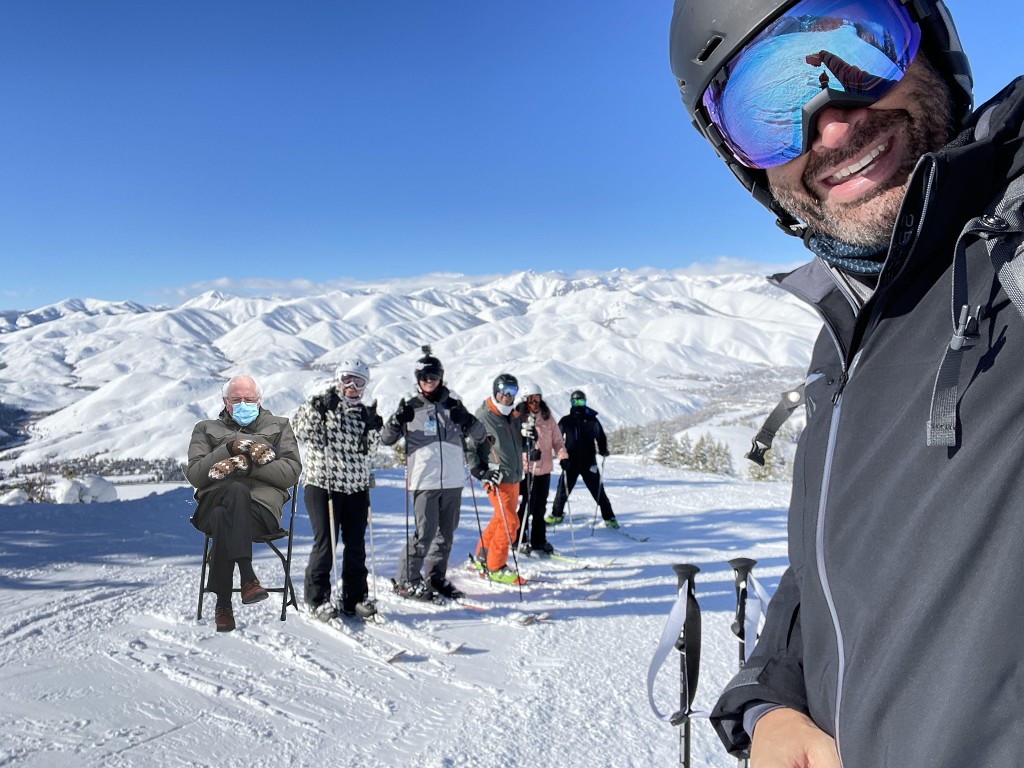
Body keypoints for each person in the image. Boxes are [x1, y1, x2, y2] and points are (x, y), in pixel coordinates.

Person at [670, 0, 1024, 765]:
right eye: (767, 112)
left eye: (858, 53)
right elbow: (831, 566)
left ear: (930, 38)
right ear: (744, 163)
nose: (830, 128)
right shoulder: (844, 338)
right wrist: (770, 702)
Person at [186, 375, 302, 633]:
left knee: (223, 515)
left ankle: (223, 604)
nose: (243, 404)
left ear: (259, 400)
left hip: (259, 512)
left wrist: (247, 465)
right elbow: (196, 475)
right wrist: (229, 449)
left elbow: (290, 473)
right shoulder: (205, 429)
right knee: (231, 495)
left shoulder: (279, 426)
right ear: (225, 401)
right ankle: (247, 576)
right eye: (236, 400)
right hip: (211, 504)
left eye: (249, 399)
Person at [382, 346, 487, 602]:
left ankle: (435, 577)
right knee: (424, 534)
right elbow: (386, 439)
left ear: (441, 377)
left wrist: (467, 420)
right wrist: (397, 420)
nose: (430, 381)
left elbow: (480, 435)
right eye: (425, 377)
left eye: (434, 377)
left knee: (446, 534)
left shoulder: (453, 405)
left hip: (453, 480)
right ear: (418, 379)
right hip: (424, 481)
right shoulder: (411, 407)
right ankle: (407, 580)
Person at [291, 360, 383, 621]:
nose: (352, 386)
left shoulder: (363, 414)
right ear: (338, 380)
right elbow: (299, 433)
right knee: (326, 543)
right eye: (347, 380)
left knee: (356, 545)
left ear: (365, 386)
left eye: (359, 382)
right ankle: (317, 598)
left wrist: (374, 427)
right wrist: (316, 409)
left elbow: (370, 452)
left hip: (356, 487)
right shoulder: (322, 405)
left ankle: (354, 597)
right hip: (323, 484)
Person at [467, 373, 530, 584]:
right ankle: (495, 566)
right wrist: (479, 471)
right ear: (495, 391)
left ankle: (482, 556)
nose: (507, 395)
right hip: (496, 478)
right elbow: (469, 447)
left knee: (500, 519)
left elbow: (518, 444)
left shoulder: (513, 416)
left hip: (514, 477)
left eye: (512, 391)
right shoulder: (483, 417)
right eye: (503, 390)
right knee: (510, 522)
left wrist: (530, 442)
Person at [546, 390, 616, 528]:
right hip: (570, 462)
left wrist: (603, 449)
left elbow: (600, 436)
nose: (578, 404)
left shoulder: (592, 420)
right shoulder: (566, 420)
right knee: (562, 490)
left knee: (598, 491)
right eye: (576, 401)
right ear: (571, 403)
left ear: (585, 402)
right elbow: (556, 439)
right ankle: (556, 515)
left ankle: (609, 518)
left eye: (581, 401)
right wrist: (561, 457)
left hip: (589, 463)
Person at [515, 382, 568, 555]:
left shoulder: (547, 418)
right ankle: (519, 538)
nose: (535, 403)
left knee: (540, 508)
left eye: (537, 399)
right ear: (525, 400)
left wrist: (563, 457)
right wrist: (527, 454)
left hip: (544, 470)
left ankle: (539, 541)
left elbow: (557, 441)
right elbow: (514, 443)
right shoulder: (518, 418)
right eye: (531, 399)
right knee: (527, 506)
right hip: (527, 470)